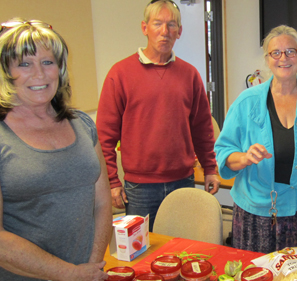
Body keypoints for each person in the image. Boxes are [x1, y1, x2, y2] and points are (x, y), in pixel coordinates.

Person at [214, 25, 297, 264]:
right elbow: (224, 152)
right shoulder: (247, 101)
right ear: (267, 59)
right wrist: (244, 157)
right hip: (255, 214)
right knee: (256, 274)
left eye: (290, 51)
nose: (283, 58)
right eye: (276, 53)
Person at [0, 19, 111, 280]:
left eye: (48, 62)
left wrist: (91, 267)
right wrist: (69, 274)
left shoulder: (82, 124)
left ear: (60, 69)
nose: (39, 74)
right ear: (6, 72)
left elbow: (102, 202)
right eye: (24, 64)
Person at [96, 0, 220, 230]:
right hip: (140, 188)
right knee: (143, 253)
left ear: (179, 31)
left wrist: (210, 169)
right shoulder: (120, 74)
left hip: (183, 181)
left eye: (172, 25)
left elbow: (202, 128)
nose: (165, 32)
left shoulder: (190, 75)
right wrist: (112, 181)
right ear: (145, 28)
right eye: (158, 24)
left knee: (183, 249)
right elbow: (104, 136)